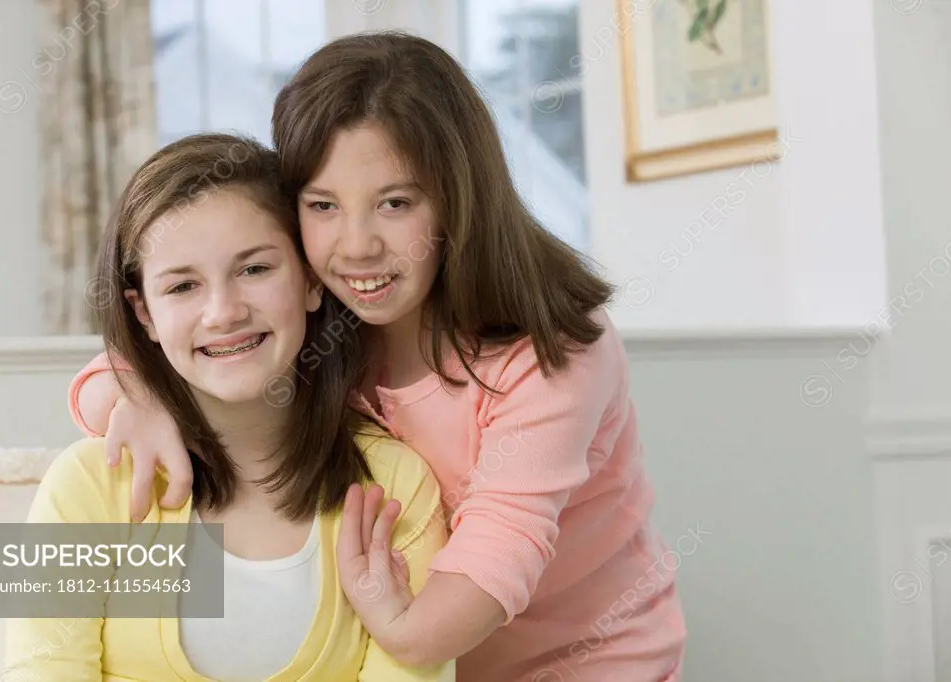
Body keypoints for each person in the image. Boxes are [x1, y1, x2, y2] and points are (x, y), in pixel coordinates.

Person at [66, 32, 686, 682]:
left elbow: (489, 569)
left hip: (585, 663)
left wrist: (400, 629)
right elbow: (131, 368)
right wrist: (142, 395)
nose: (357, 247)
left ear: (459, 195)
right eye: (323, 206)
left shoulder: (551, 349)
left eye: (395, 203)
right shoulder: (330, 314)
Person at [5, 133, 454, 681]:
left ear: (311, 280)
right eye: (183, 287)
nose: (223, 312)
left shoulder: (397, 485)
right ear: (143, 314)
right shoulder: (89, 487)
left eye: (254, 270)